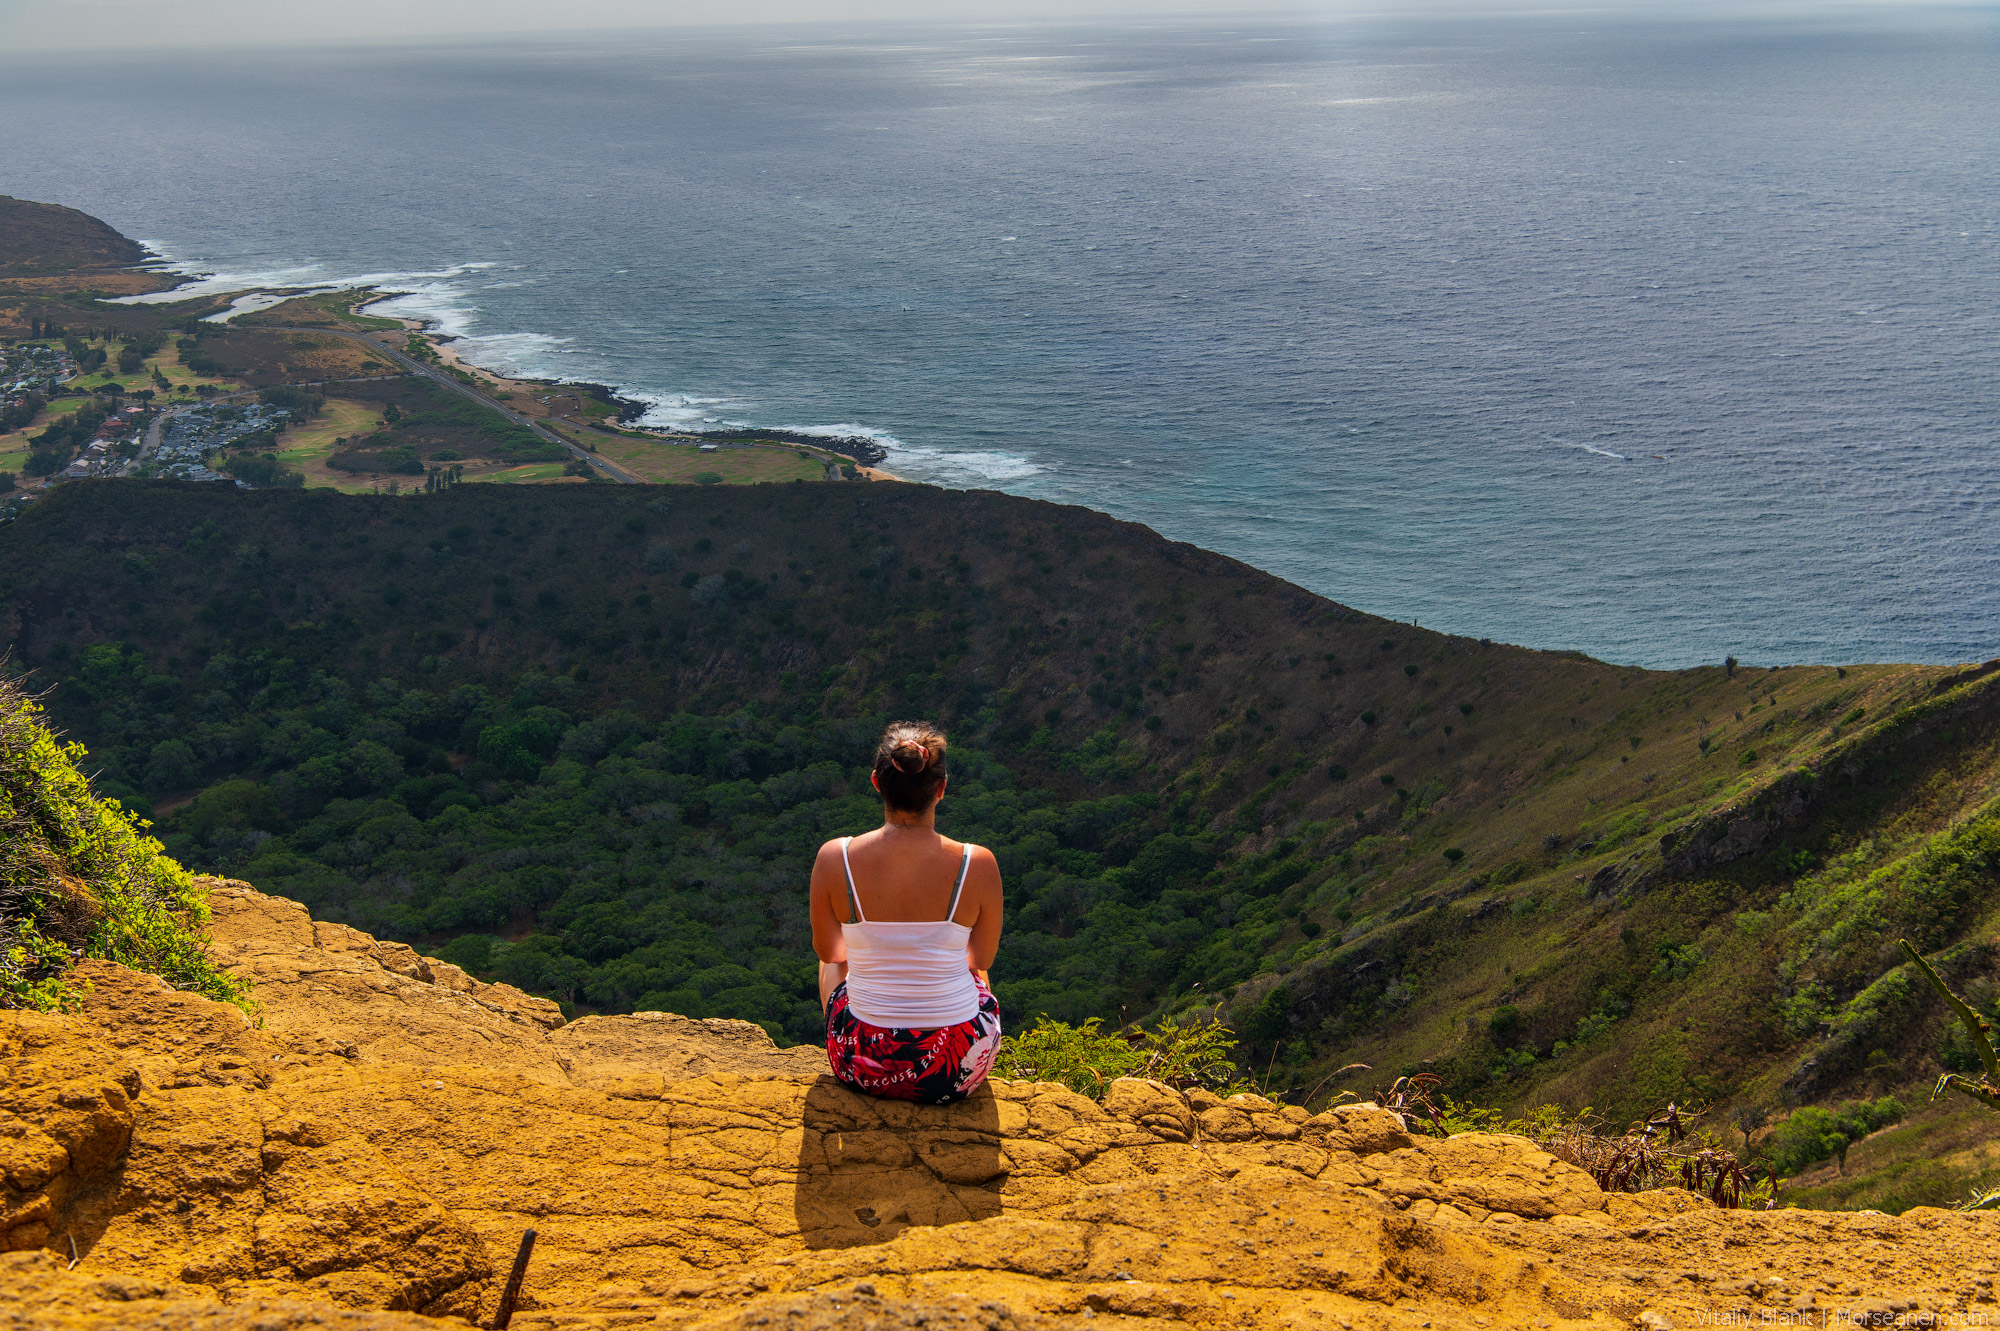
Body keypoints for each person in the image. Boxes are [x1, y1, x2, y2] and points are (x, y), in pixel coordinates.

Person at [810, 721, 1003, 1104]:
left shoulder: (836, 858)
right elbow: (980, 960)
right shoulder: (976, 863)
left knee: (838, 954)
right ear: (941, 789)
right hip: (954, 1068)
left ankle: (867, 1017)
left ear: (877, 783)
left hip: (864, 1063)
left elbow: (831, 955)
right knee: (972, 965)